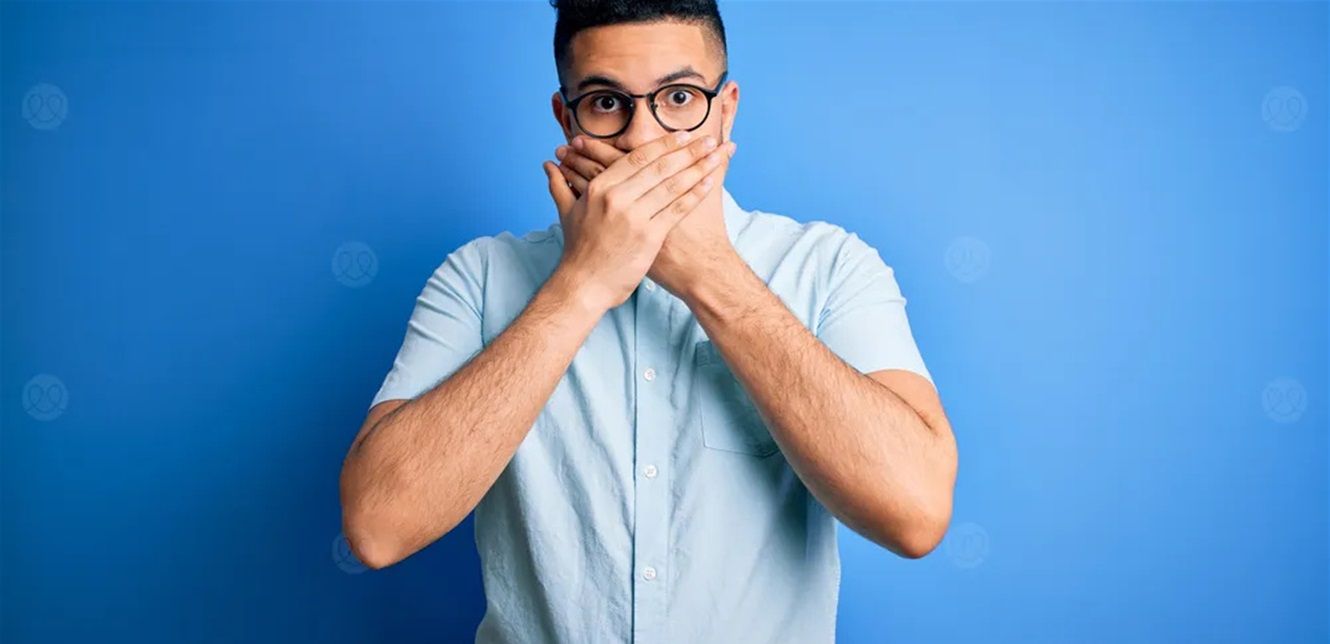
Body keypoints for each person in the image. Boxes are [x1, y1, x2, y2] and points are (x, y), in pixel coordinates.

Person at [339, 1, 958, 641]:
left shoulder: (828, 267)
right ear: (566, 118)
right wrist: (581, 284)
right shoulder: (480, 278)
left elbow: (914, 516)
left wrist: (711, 274)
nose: (642, 139)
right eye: (606, 103)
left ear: (726, 110)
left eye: (680, 98)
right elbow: (378, 528)